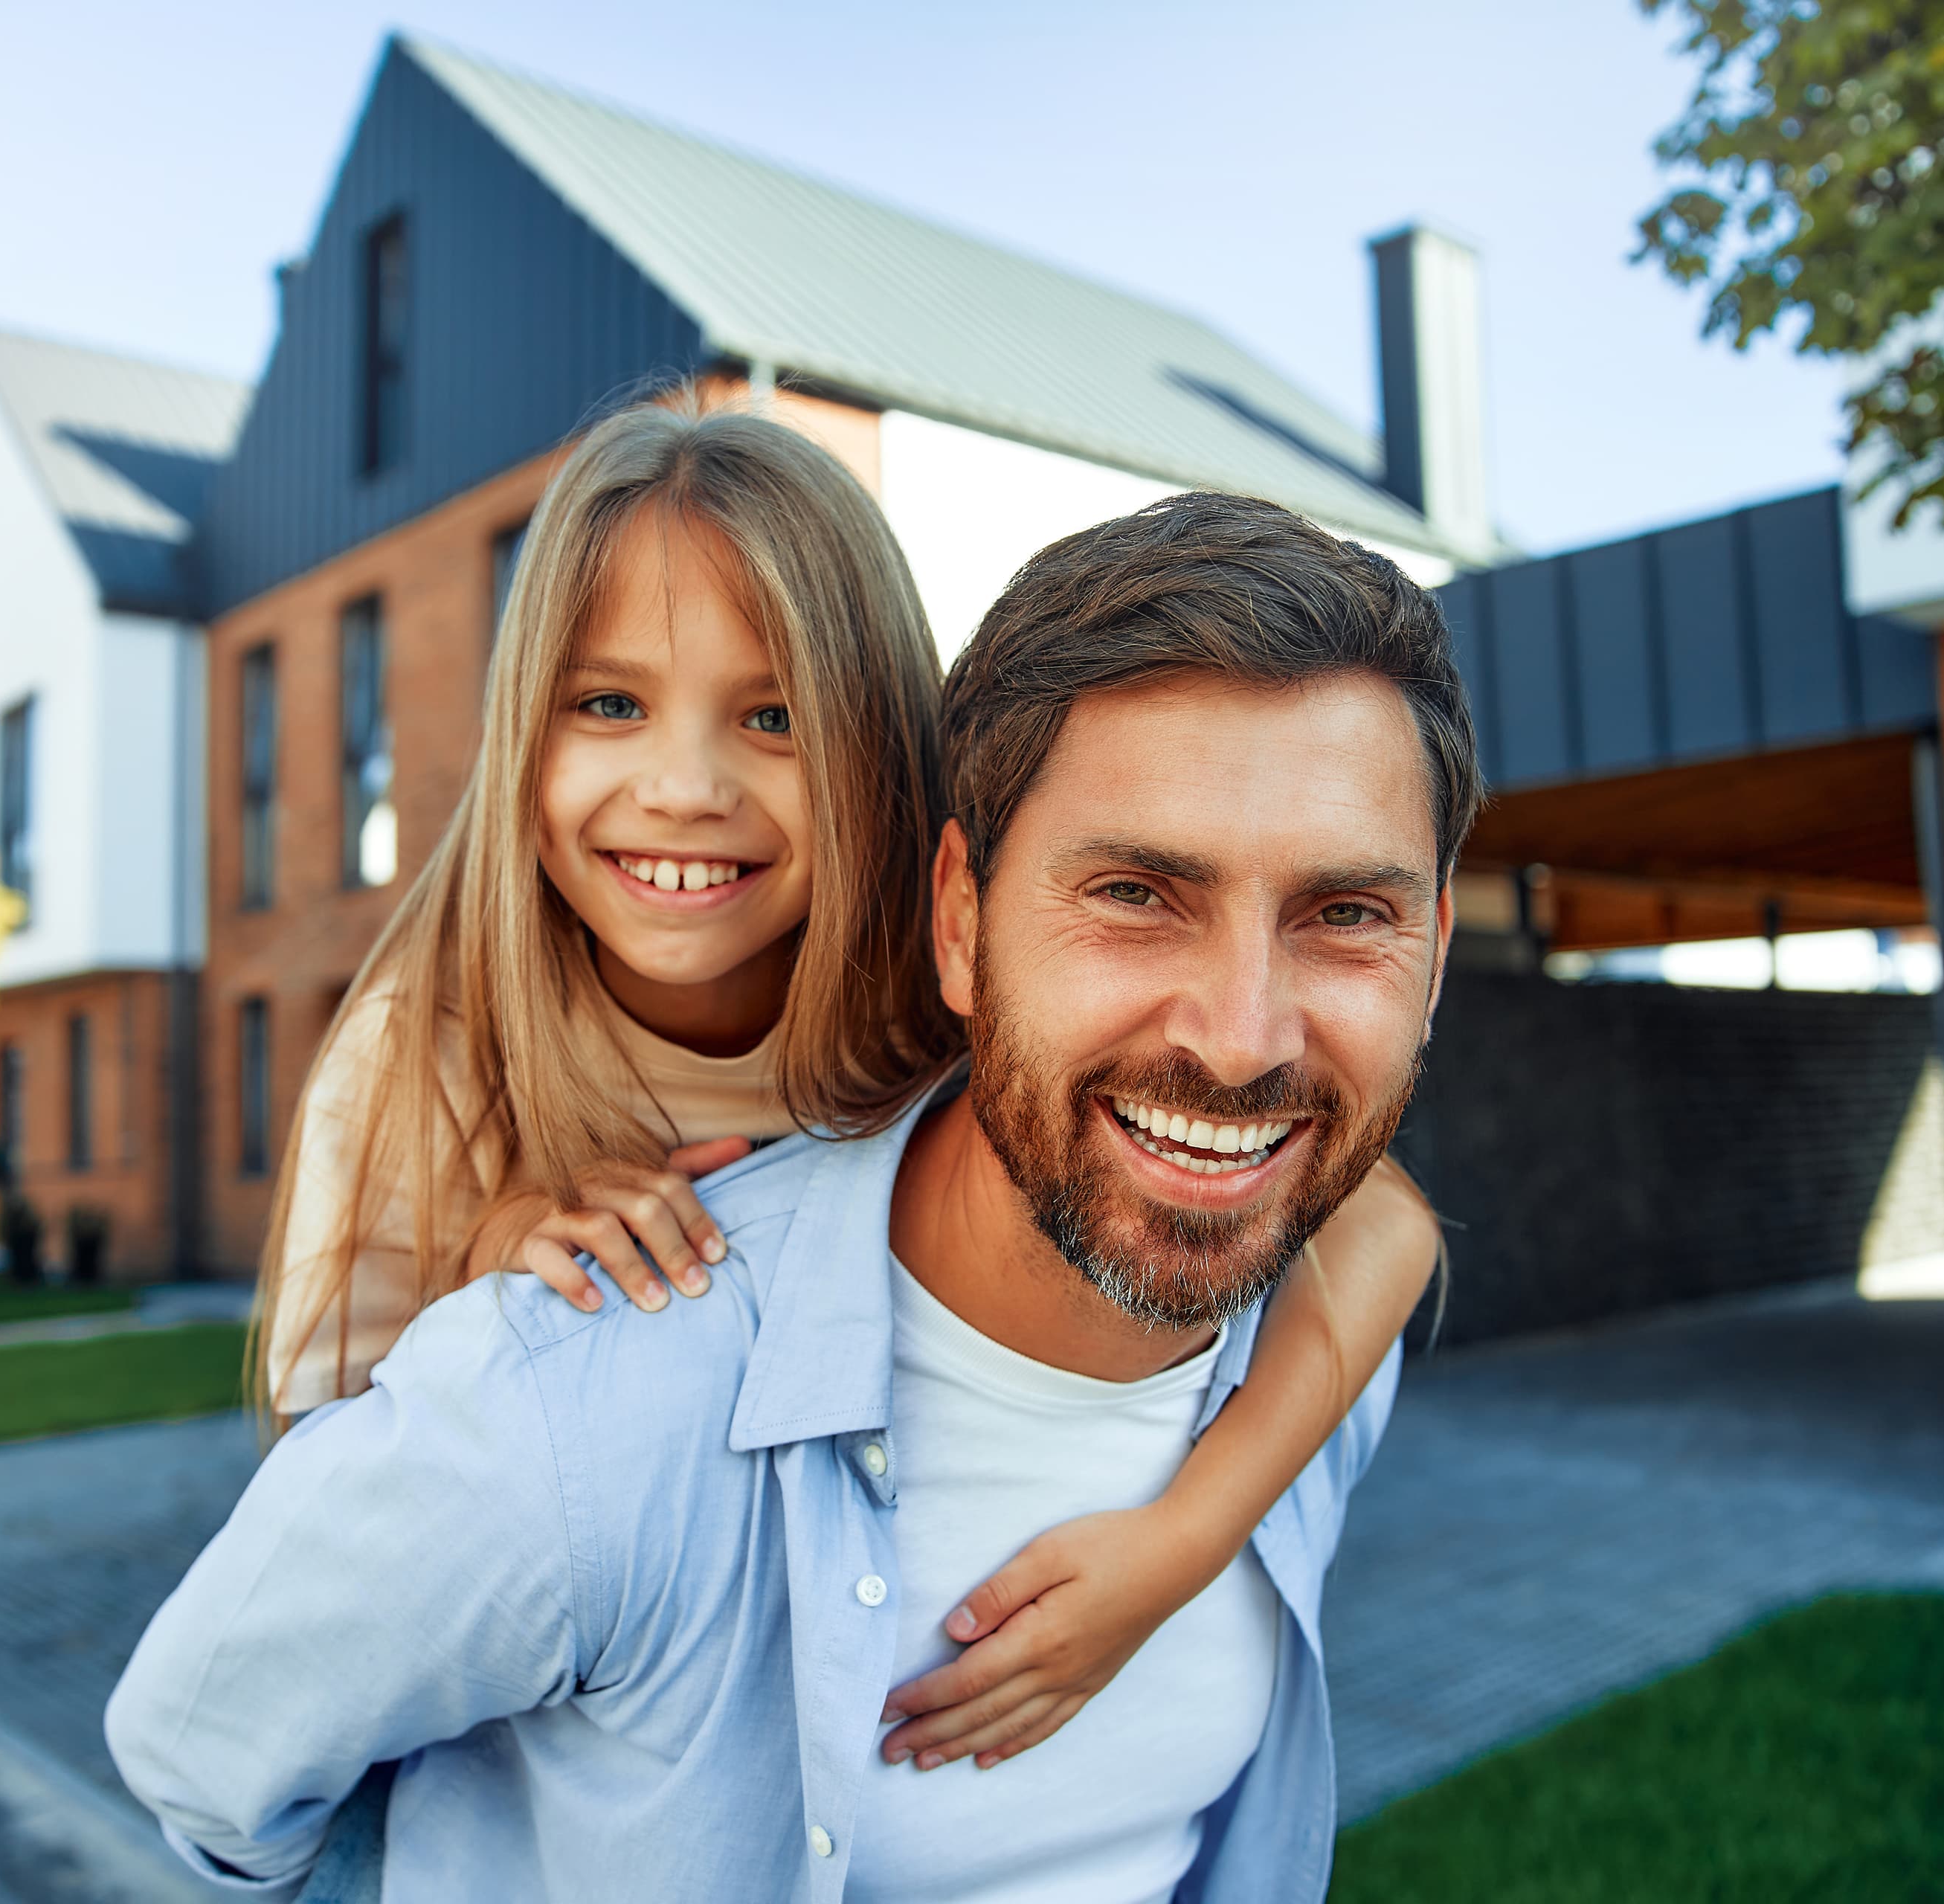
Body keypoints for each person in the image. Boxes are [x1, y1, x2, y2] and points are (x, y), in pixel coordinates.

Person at [109, 487, 1479, 1900]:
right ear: (965, 920)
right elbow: (292, 1616)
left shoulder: (1257, 1299)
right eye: (1136, 891)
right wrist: (508, 1249)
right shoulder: (462, 1117)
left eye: (1344, 913)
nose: (1238, 1039)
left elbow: (1388, 1223)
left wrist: (1191, 1538)